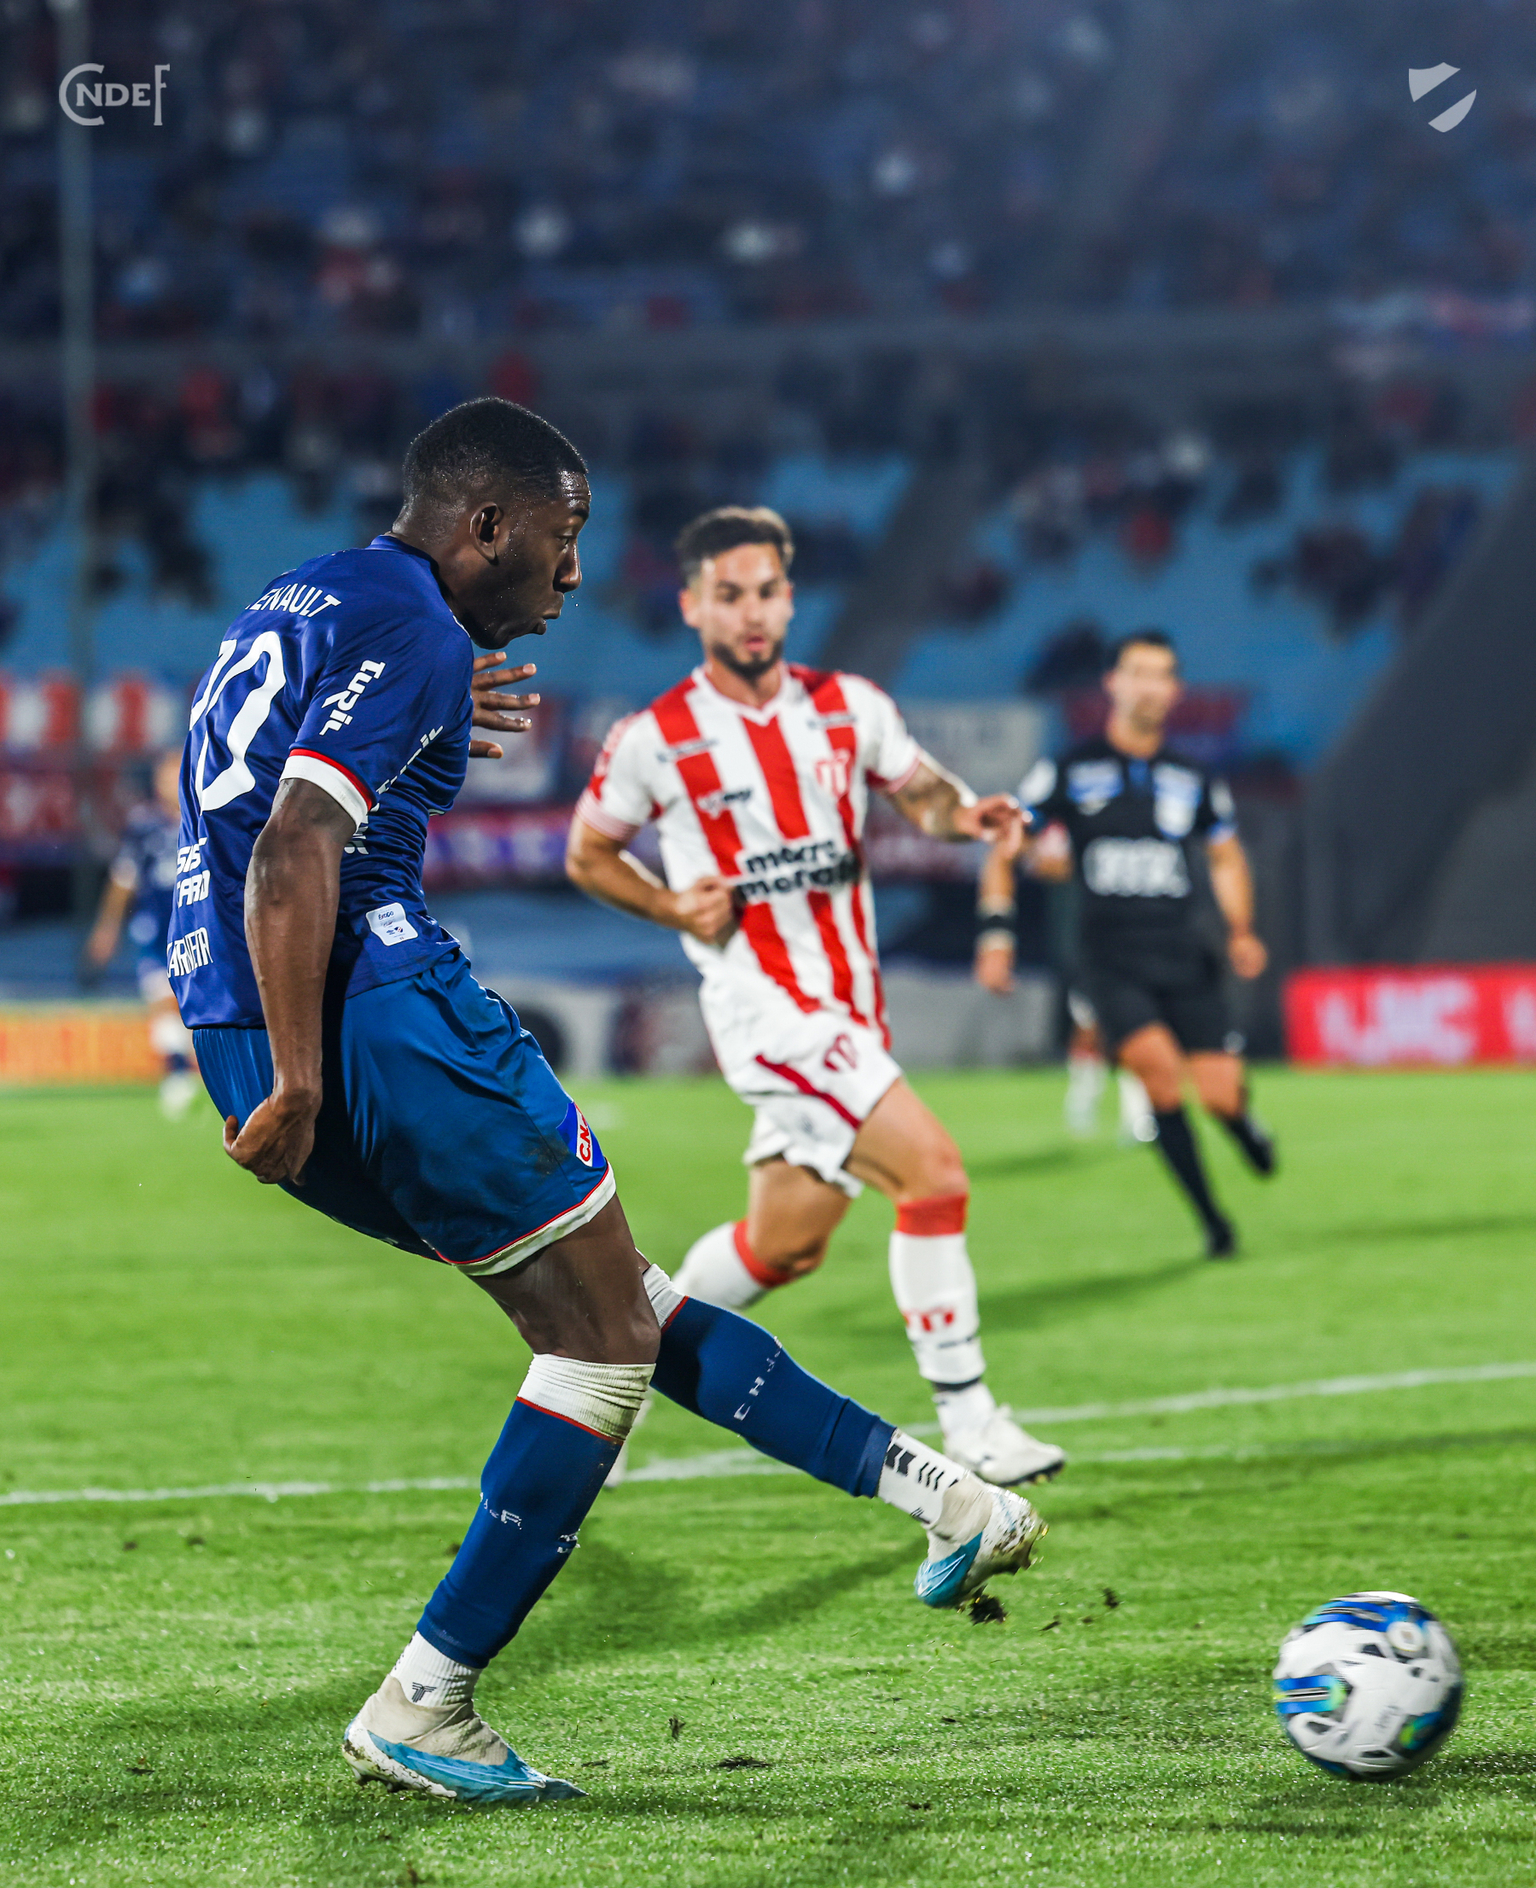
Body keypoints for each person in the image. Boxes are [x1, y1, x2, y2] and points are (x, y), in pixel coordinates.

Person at [166, 400, 1047, 1809]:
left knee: (615, 1300)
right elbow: (294, 844)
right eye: (562, 537)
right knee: (600, 1341)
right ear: (486, 525)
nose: (574, 572)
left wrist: (430, 705)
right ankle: (427, 1699)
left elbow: (249, 794)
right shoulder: (413, 631)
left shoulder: (313, 594)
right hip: (367, 1010)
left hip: (238, 1008)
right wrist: (304, 1073)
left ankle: (939, 1496)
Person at [566, 506, 1065, 1487]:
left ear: (789, 599)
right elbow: (590, 853)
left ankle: (610, 1380)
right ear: (692, 606)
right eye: (729, 596)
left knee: (782, 1245)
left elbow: (921, 792)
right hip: (767, 1014)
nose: (751, 613)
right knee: (935, 1176)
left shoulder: (849, 707)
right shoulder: (655, 738)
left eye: (766, 592)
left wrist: (970, 816)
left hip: (849, 1015)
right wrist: (669, 903)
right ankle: (973, 1425)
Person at [975, 629, 1274, 1257]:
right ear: (1112, 683)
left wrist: (1241, 929)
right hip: (1109, 957)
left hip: (1183, 952)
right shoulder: (1068, 768)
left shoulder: (1193, 776)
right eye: (1137, 672)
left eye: (1161, 674)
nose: (1149, 686)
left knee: (1219, 1093)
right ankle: (1213, 1222)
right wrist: (997, 934)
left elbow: (1225, 855)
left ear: (1175, 690)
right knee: (1160, 1078)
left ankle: (1244, 1126)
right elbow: (1008, 842)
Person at [981, 819, 1155, 1144]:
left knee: (1134, 1023)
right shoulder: (1050, 816)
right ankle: (1084, 1099)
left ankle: (1139, 1114)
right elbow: (1026, 859)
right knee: (1089, 1026)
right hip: (1079, 943)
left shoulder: (1119, 814)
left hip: (1129, 937)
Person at [83, 746, 198, 1116]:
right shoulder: (144, 825)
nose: (170, 781)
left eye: (177, 772)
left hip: (199, 923)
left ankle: (196, 1071)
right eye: (165, 774)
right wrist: (107, 928)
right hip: (156, 928)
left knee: (192, 1007)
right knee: (162, 1002)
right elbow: (124, 879)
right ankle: (178, 1074)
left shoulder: (208, 817)